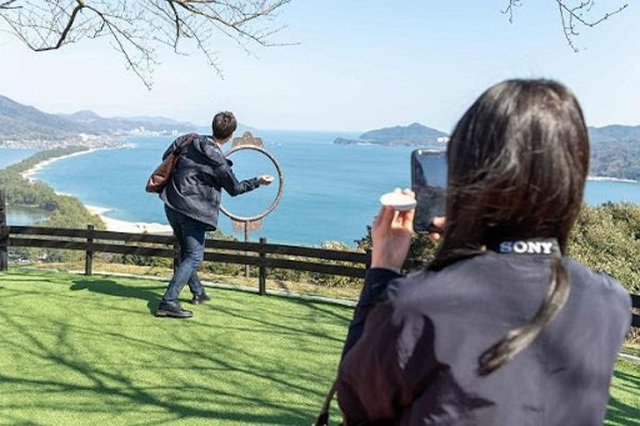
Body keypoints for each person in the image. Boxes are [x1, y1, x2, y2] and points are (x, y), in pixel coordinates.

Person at [336, 80, 631, 425]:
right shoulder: (609, 302)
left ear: (468, 175)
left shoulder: (419, 306)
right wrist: (475, 249)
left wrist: (383, 271)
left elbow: (356, 402)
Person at [156, 111, 273, 318]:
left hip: (172, 202)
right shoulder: (218, 161)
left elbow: (167, 156)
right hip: (193, 210)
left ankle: (198, 292)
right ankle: (169, 300)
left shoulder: (189, 140)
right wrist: (258, 181)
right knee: (194, 255)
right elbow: (235, 189)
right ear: (230, 135)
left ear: (213, 126)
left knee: (187, 252)